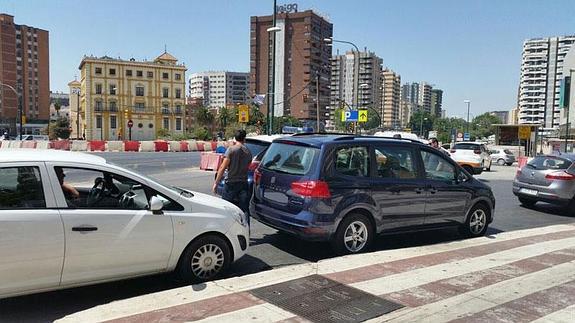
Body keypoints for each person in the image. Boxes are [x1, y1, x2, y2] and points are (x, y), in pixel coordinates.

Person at [213, 129, 253, 218]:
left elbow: (222, 167)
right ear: (244, 139)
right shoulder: (248, 152)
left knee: (226, 209)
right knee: (244, 209)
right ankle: (246, 228)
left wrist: (216, 183)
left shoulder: (231, 150)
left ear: (235, 138)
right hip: (243, 183)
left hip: (231, 183)